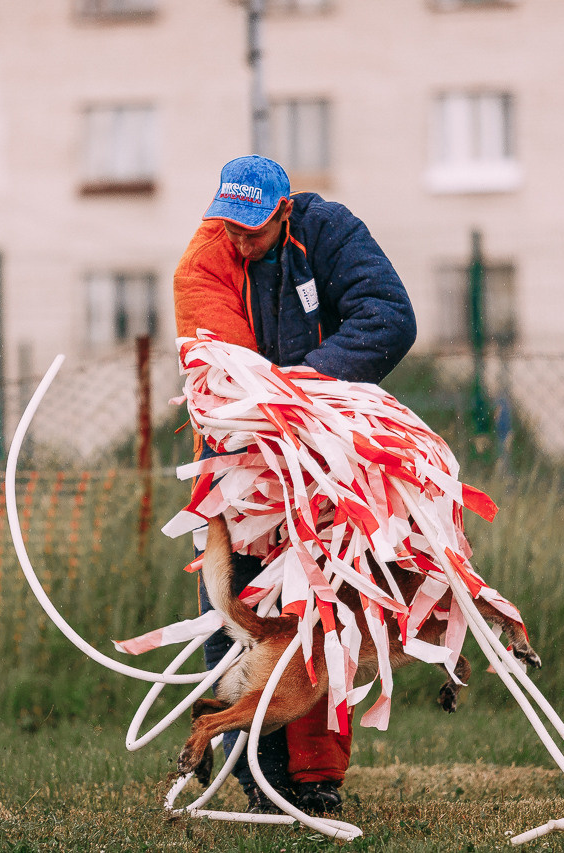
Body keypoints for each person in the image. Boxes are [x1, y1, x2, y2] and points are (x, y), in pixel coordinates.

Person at [173, 154, 416, 814]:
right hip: (241, 461)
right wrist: (265, 411)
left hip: (325, 455)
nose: (240, 240)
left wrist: (306, 385)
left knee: (328, 614)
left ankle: (318, 778)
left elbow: (389, 315)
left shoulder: (330, 232)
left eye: (254, 229)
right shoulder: (207, 256)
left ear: (284, 213)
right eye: (231, 227)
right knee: (238, 612)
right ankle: (260, 779)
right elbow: (217, 362)